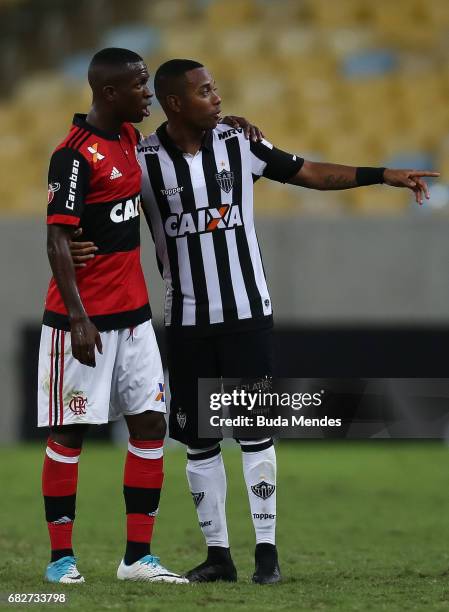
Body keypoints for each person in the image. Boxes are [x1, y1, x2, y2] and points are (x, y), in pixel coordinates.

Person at [72, 58, 439, 585]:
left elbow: (307, 172)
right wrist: (74, 240)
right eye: (204, 91)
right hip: (187, 319)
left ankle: (267, 553)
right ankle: (218, 554)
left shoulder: (239, 142)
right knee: (198, 440)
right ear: (175, 103)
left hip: (247, 314)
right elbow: (97, 192)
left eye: (216, 88)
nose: (216, 97)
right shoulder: (142, 157)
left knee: (255, 432)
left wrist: (381, 175)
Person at [38, 47, 189, 584]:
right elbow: (57, 236)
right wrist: (78, 316)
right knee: (71, 432)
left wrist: (233, 126)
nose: (148, 93)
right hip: (84, 323)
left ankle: (137, 559)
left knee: (150, 425)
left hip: (136, 319)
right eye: (140, 86)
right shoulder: (73, 155)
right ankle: (61, 561)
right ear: (109, 92)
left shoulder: (127, 138)